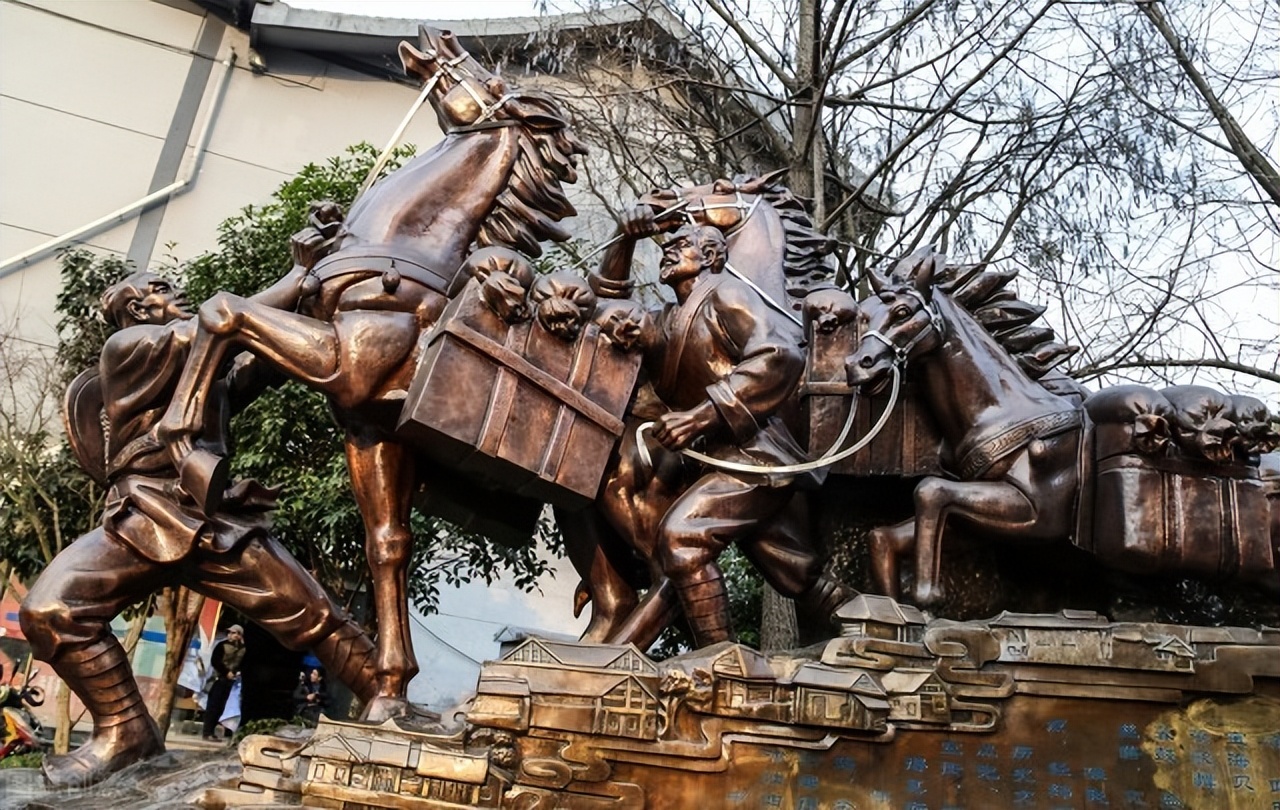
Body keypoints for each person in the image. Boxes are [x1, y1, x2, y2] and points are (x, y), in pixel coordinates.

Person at [19, 258, 379, 788]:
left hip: (212, 518)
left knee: (317, 617)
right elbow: (214, 325)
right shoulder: (130, 347)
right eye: (163, 289)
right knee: (50, 611)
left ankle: (387, 702)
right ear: (139, 307)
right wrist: (291, 280)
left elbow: (248, 361)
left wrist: (314, 284)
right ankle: (124, 731)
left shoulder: (202, 368)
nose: (181, 291)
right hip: (141, 516)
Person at [588, 213, 851, 647]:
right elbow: (606, 300)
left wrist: (699, 417)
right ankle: (877, 622)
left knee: (682, 538)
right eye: (667, 245)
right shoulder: (667, 320)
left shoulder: (728, 295)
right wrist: (625, 239)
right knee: (796, 573)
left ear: (712, 256)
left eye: (683, 244)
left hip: (755, 457)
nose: (669, 249)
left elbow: (779, 355)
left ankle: (720, 662)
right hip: (717, 462)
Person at [202, 625, 245, 740]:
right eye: (230, 633)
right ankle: (207, 732)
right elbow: (215, 661)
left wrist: (237, 672)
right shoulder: (222, 645)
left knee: (222, 707)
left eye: (235, 633)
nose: (231, 635)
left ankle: (213, 731)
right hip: (219, 679)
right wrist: (226, 672)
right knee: (213, 706)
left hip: (233, 682)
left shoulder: (243, 649)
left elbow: (243, 663)